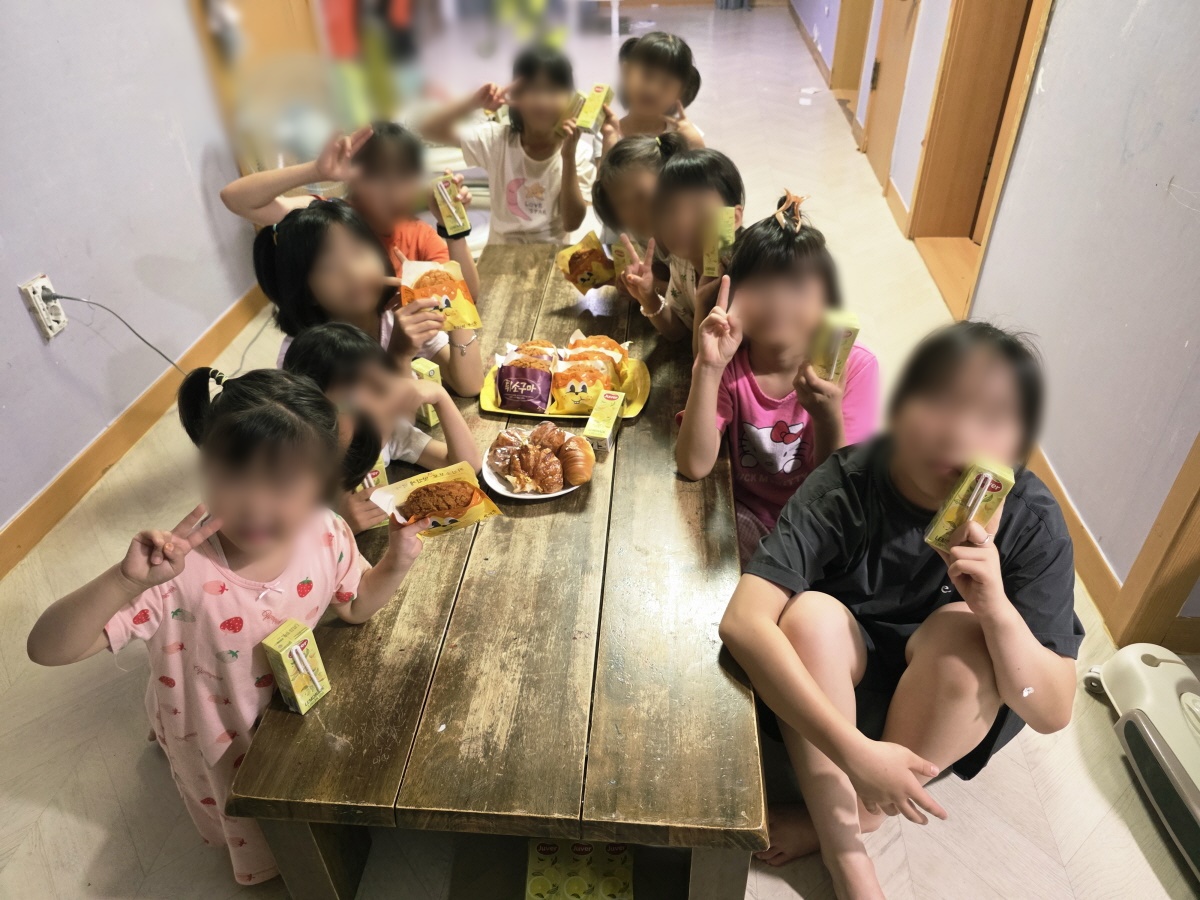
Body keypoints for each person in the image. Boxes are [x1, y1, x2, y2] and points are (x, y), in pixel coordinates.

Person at [26, 368, 431, 885]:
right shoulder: (172, 575)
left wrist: (396, 561)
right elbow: (47, 648)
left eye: (284, 485)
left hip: (290, 710)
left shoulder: (327, 532)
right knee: (254, 828)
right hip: (215, 734)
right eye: (232, 478)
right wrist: (124, 582)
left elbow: (355, 606)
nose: (255, 505)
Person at [718, 322, 1082, 898]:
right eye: (941, 401)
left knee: (965, 635)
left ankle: (862, 813)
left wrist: (994, 608)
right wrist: (856, 752)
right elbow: (743, 621)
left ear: (1019, 446)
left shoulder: (1031, 522)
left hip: (940, 713)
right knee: (809, 616)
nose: (959, 433)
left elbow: (1051, 708)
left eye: (993, 418)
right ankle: (846, 849)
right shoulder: (848, 484)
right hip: (837, 698)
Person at [675, 197, 879, 563]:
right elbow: (693, 465)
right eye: (761, 284)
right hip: (747, 516)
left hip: (818, 523)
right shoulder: (729, 363)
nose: (778, 301)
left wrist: (827, 415)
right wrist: (707, 367)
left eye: (797, 287)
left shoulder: (856, 368)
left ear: (827, 301)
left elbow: (840, 495)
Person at [219, 122, 481, 301]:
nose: (394, 192)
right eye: (379, 176)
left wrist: (452, 227)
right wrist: (315, 171)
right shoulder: (328, 217)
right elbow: (236, 199)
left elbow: (467, 296)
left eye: (404, 177)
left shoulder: (418, 234)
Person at [253, 198, 484, 397]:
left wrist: (450, 302)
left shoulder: (392, 317)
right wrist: (399, 354)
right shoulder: (304, 355)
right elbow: (389, 426)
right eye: (328, 266)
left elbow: (470, 385)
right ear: (306, 291)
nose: (353, 273)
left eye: (359, 252)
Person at [283, 322, 482, 533]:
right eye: (352, 398)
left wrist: (440, 397)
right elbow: (287, 540)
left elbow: (466, 467)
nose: (385, 404)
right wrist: (341, 524)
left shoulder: (387, 429)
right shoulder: (298, 466)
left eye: (381, 387)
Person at [419, 46, 597, 244]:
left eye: (553, 90)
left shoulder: (579, 152)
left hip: (553, 254)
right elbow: (428, 129)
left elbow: (572, 223)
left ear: (571, 99)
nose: (543, 101)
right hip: (499, 252)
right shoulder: (497, 140)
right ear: (516, 96)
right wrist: (474, 102)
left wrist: (568, 157)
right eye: (533, 89)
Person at [620, 148, 744, 347]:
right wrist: (649, 297)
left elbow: (708, 358)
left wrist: (704, 303)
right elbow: (677, 331)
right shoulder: (682, 263)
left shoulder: (747, 272)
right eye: (670, 209)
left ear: (734, 218)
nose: (681, 221)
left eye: (698, 208)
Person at [606, 31, 705, 154]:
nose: (653, 89)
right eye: (647, 75)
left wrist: (696, 145)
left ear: (680, 92)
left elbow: (706, 167)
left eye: (666, 83)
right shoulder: (609, 133)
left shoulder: (687, 136)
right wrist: (609, 140)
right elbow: (603, 168)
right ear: (626, 73)